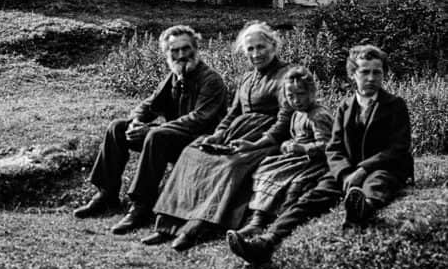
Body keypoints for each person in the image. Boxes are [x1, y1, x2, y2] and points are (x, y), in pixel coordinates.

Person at [228, 43, 414, 268]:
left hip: (384, 167)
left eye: (377, 72)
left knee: (377, 183)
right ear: (353, 75)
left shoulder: (395, 105)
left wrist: (362, 170)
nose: (372, 78)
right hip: (348, 169)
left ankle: (361, 208)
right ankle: (265, 243)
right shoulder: (346, 107)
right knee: (310, 200)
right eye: (365, 72)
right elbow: (334, 147)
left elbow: (398, 148)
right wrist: (345, 173)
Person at [144, 21, 292, 251]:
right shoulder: (247, 78)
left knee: (229, 166)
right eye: (250, 49)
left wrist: (257, 143)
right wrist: (218, 134)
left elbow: (285, 119)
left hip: (265, 138)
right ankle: (166, 224)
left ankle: (196, 227)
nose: (256, 54)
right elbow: (233, 112)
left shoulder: (286, 76)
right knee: (193, 152)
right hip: (236, 132)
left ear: (273, 45)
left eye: (261, 47)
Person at [74, 25, 227, 233]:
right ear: (167, 53)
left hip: (200, 144)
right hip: (171, 137)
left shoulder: (211, 80)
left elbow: (199, 119)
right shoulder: (174, 77)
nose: (181, 55)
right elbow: (149, 104)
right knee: (118, 127)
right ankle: (106, 194)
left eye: (186, 49)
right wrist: (136, 120)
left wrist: (152, 130)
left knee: (156, 135)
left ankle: (141, 206)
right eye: (175, 51)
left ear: (196, 48)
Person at [226, 65, 332, 249]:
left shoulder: (318, 115)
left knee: (292, 183)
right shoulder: (297, 114)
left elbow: (327, 145)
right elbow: (293, 135)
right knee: (266, 169)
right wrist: (287, 144)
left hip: (313, 161)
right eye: (291, 96)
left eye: (301, 94)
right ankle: (257, 219)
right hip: (295, 158)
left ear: (312, 92)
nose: (296, 100)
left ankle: (275, 220)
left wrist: (302, 148)